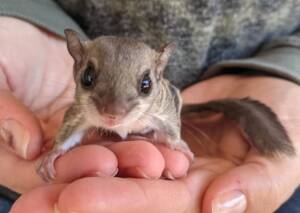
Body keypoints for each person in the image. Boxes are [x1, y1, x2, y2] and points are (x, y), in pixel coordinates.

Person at [0, 0, 299, 212]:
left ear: (158, 71)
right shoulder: (83, 104)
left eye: (143, 86)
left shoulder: (161, 100)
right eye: (90, 79)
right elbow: (73, 123)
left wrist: (175, 140)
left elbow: (169, 115)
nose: (112, 112)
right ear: (77, 62)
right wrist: (58, 150)